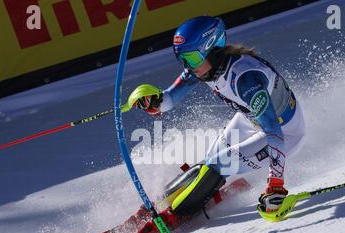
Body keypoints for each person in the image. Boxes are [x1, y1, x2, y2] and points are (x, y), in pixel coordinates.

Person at [124, 16, 306, 222]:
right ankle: (158, 203)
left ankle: (176, 214)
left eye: (191, 59)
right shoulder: (204, 66)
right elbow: (169, 98)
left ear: (211, 48)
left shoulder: (246, 80)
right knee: (208, 163)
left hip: (286, 133)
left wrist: (276, 185)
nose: (188, 66)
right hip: (250, 121)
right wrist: (152, 101)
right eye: (182, 59)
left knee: (217, 164)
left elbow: (274, 130)